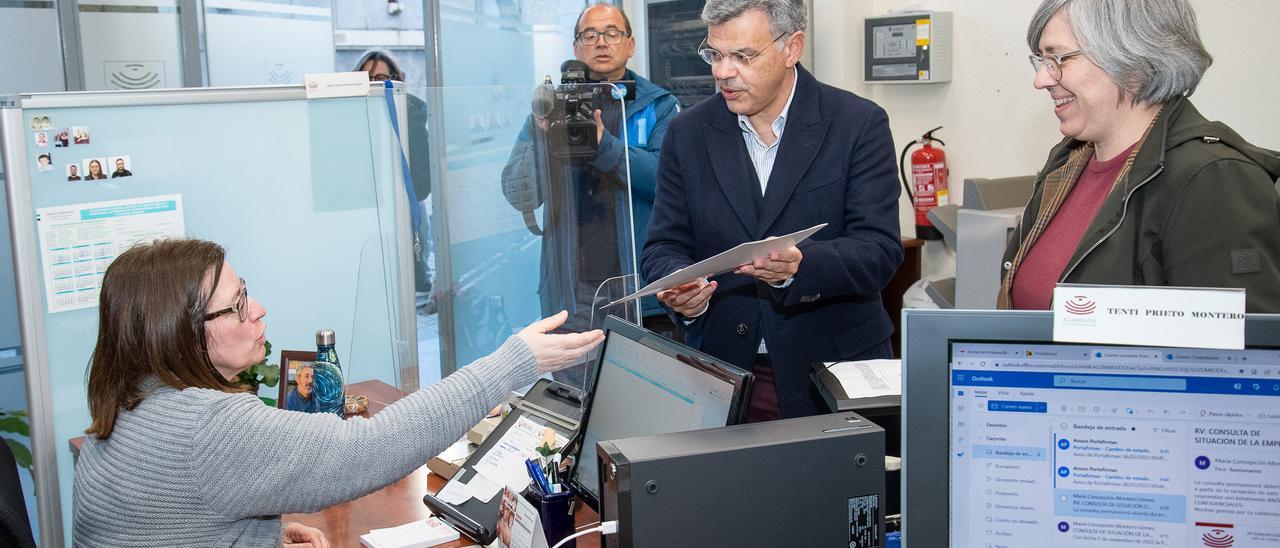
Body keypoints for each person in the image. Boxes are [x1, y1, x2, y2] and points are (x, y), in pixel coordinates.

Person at [73, 238, 603, 547]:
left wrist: (258, 536)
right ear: (178, 332)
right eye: (236, 306)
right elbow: (372, 450)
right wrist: (512, 363)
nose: (257, 311)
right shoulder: (205, 428)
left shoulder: (126, 405)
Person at [640, 0, 903, 421]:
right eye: (715, 54)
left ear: (791, 48)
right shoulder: (687, 134)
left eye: (742, 56)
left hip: (832, 374)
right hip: (723, 375)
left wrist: (800, 266)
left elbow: (879, 250)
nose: (723, 72)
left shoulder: (857, 123)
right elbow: (664, 245)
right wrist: (682, 291)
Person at [998, 0, 1280, 312]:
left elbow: (1238, 351)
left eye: (1059, 59)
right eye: (1041, 60)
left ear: (1132, 64)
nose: (1042, 79)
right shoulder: (1065, 165)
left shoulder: (1213, 181)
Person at [501, 2, 681, 371]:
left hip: (641, 290)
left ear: (631, 45)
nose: (602, 42)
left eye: (612, 33)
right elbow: (519, 191)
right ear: (576, 48)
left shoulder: (658, 106)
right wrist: (540, 134)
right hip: (573, 293)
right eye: (590, 35)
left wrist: (606, 147)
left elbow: (669, 181)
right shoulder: (552, 106)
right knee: (573, 402)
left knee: (642, 400)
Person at [355, 49, 436, 313]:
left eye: (379, 78)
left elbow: (422, 185)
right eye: (365, 77)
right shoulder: (345, 117)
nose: (372, 84)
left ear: (396, 79)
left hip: (401, 220)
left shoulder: (409, 114)